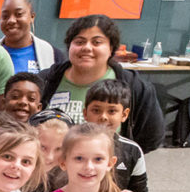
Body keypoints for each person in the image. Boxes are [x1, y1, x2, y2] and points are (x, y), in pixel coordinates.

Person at [39, 14, 162, 152]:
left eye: (97, 42)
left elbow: (151, 137)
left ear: (111, 48)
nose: (86, 47)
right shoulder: (45, 80)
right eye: (79, 42)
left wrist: (119, 162)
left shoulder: (135, 87)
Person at [84, 79, 149, 192]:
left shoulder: (133, 151)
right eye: (96, 110)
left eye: (112, 111)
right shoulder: (70, 146)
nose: (103, 117)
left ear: (124, 115)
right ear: (85, 113)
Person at [0, 0, 63, 74]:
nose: (11, 20)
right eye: (5, 16)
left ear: (32, 17)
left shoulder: (52, 54)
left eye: (19, 14)